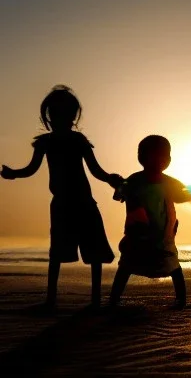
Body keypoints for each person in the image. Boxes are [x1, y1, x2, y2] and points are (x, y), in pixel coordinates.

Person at [0, 85, 121, 310]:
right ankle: (51, 299)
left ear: (72, 116)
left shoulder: (79, 141)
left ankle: (94, 300)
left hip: (84, 202)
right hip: (63, 204)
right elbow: (31, 169)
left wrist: (110, 178)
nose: (59, 118)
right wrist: (14, 173)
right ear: (48, 115)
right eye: (55, 114)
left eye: (64, 114)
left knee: (93, 251)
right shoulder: (45, 142)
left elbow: (96, 171)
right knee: (57, 252)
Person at [109, 135, 191, 309]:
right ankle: (114, 298)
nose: (159, 160)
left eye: (164, 156)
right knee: (127, 265)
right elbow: (118, 194)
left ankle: (181, 300)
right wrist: (118, 185)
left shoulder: (170, 182)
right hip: (138, 234)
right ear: (142, 157)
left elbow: (181, 195)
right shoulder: (134, 180)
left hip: (163, 234)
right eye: (154, 155)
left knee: (173, 266)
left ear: (169, 160)